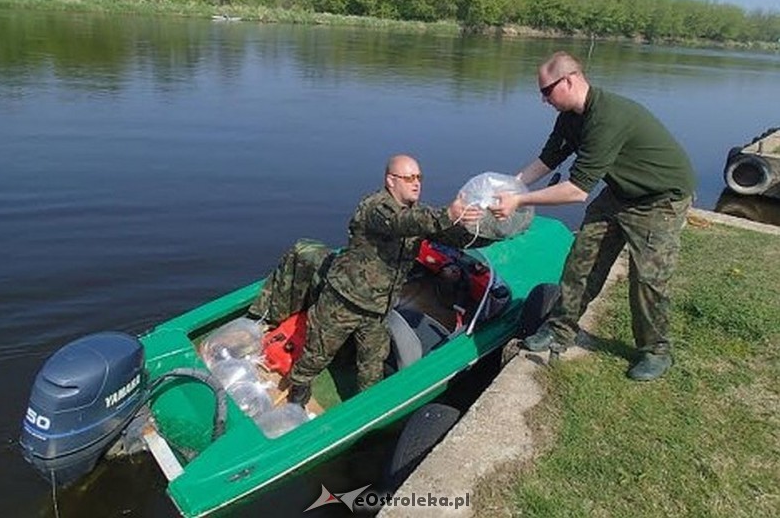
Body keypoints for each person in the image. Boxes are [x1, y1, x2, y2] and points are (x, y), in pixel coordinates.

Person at [489, 51, 695, 381]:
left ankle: (656, 351)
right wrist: (508, 186)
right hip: (619, 193)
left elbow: (576, 190)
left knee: (647, 279)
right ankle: (560, 329)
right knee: (581, 260)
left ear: (569, 81)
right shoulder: (570, 116)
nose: (544, 100)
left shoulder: (607, 117)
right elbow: (548, 159)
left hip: (660, 199)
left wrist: (520, 200)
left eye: (546, 92)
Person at [285, 154, 485, 405]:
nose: (416, 183)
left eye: (419, 177)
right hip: (345, 301)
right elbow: (400, 223)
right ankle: (297, 398)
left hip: (378, 308)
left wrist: (487, 229)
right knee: (316, 355)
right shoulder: (375, 207)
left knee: (372, 366)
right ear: (391, 181)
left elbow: (448, 236)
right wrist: (447, 212)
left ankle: (366, 414)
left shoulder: (418, 214)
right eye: (409, 177)